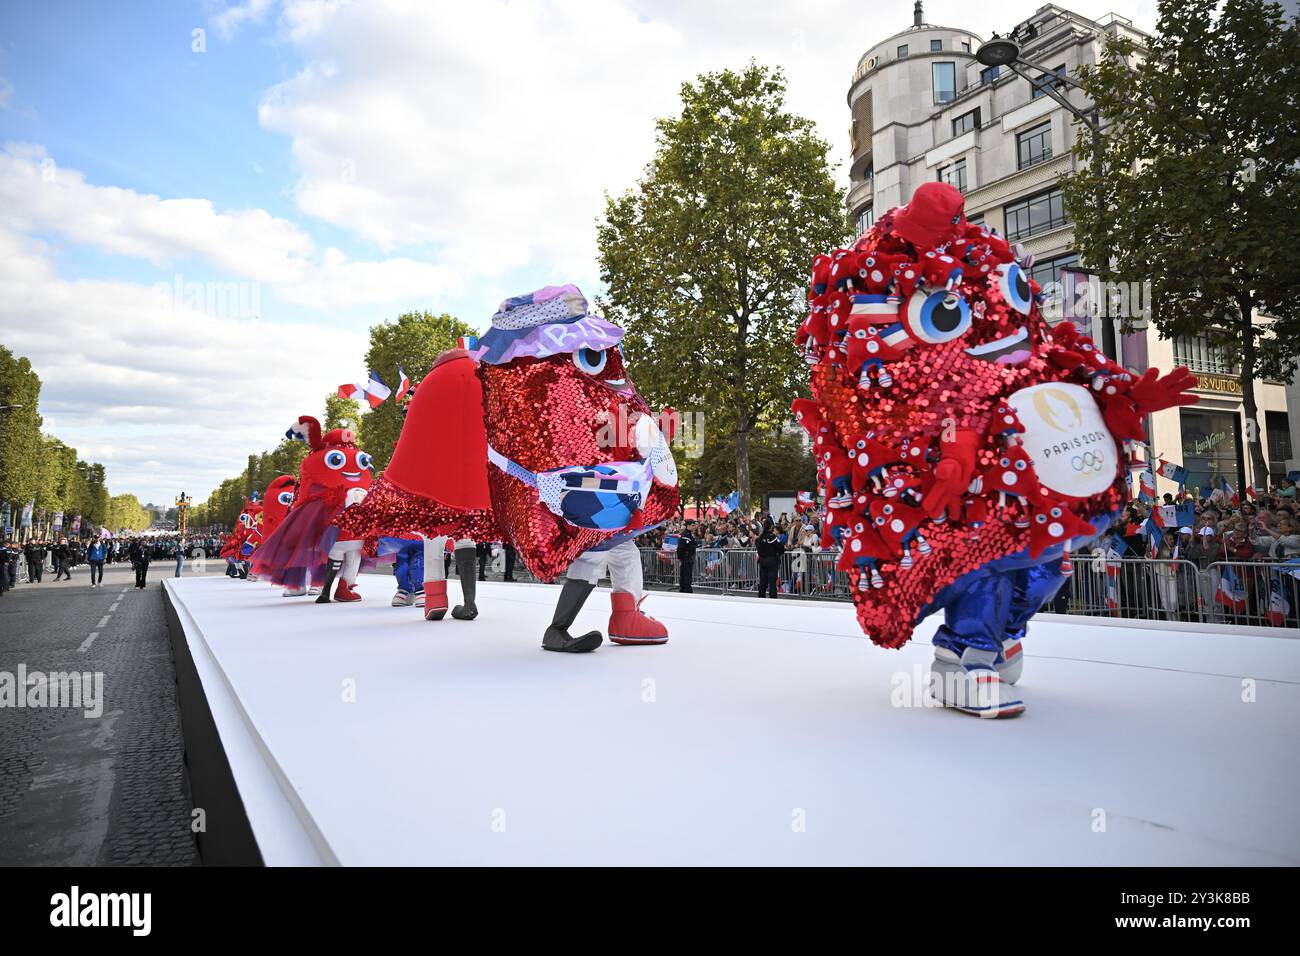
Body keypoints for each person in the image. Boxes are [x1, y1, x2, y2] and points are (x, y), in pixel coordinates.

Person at [756, 517, 783, 598]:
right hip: (771, 560)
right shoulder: (771, 537)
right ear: (771, 527)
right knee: (772, 581)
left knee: (763, 581)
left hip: (762, 560)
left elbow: (758, 548)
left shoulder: (760, 538)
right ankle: (772, 598)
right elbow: (781, 548)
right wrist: (778, 553)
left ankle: (761, 597)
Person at [677, 519, 698, 593]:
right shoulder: (686, 535)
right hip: (686, 557)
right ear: (688, 526)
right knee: (686, 574)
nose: (694, 527)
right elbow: (683, 547)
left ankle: (685, 588)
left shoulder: (689, 534)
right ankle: (686, 589)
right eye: (692, 525)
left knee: (686, 574)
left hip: (687, 557)